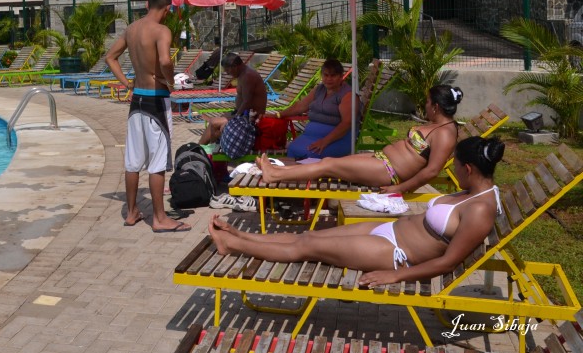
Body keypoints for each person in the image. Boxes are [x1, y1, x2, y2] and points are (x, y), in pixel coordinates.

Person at [209, 135, 504, 287]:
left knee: (306, 247)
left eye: (456, 166)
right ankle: (239, 236)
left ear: (469, 169)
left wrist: (396, 277)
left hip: (394, 253)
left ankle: (232, 245)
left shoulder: (480, 209)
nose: (453, 170)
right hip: (390, 230)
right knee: (308, 236)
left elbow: (448, 263)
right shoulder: (473, 191)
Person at [258, 85, 464, 194]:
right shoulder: (437, 126)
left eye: (427, 102)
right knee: (328, 163)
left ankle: (274, 175)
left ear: (436, 106)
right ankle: (277, 172)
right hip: (382, 161)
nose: (425, 105)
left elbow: (432, 170)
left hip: (389, 172)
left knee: (328, 165)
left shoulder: (445, 133)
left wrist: (400, 188)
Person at [105, 0, 189, 233]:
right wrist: (170, 81)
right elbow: (164, 60)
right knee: (157, 161)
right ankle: (160, 218)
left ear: (147, 5)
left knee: (133, 161)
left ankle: (132, 212)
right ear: (167, 9)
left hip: (137, 101)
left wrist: (127, 83)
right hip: (156, 101)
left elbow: (110, 57)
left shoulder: (132, 29)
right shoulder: (162, 31)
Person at [270, 58, 356, 161]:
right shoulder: (319, 89)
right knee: (293, 149)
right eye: (326, 75)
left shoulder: (347, 95)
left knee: (309, 154)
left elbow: (347, 123)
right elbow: (300, 106)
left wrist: (325, 141)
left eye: (333, 75)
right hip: (311, 137)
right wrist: (278, 115)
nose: (329, 79)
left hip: (336, 140)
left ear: (341, 76)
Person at [197, 52, 268, 152]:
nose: (227, 73)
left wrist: (236, 117)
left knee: (214, 123)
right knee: (215, 121)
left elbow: (247, 102)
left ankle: (212, 151)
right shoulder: (243, 74)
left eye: (227, 70)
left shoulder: (248, 76)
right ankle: (199, 148)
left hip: (252, 118)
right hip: (244, 114)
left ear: (235, 66)